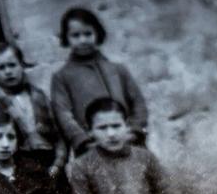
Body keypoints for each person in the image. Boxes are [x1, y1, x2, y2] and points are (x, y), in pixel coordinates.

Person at [50, 8, 148, 155]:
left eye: (88, 34)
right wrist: (84, 140)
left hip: (129, 143)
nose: (83, 40)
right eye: (76, 35)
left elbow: (138, 102)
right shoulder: (62, 77)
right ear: (66, 38)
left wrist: (134, 130)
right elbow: (64, 115)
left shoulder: (118, 69)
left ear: (97, 34)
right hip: (92, 149)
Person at [0, 41, 67, 176]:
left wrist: (57, 164)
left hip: (51, 160)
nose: (8, 71)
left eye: (12, 65)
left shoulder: (38, 95)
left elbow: (58, 136)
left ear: (21, 65)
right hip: (19, 165)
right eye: (1, 68)